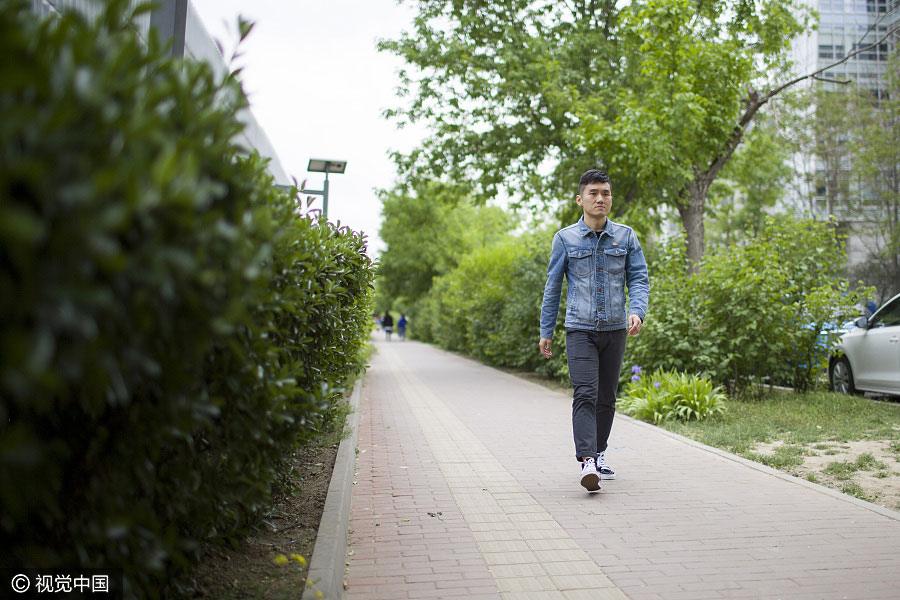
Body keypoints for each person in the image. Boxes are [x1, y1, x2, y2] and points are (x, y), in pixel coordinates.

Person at [539, 169, 649, 491]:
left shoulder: (626, 237)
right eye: (593, 193)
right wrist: (547, 330)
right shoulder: (565, 239)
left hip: (616, 329)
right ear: (580, 199)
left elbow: (639, 279)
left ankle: (599, 453)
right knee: (585, 393)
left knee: (607, 398)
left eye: (605, 193)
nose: (600, 198)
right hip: (580, 329)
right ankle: (587, 461)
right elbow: (552, 287)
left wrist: (637, 311)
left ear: (610, 198)